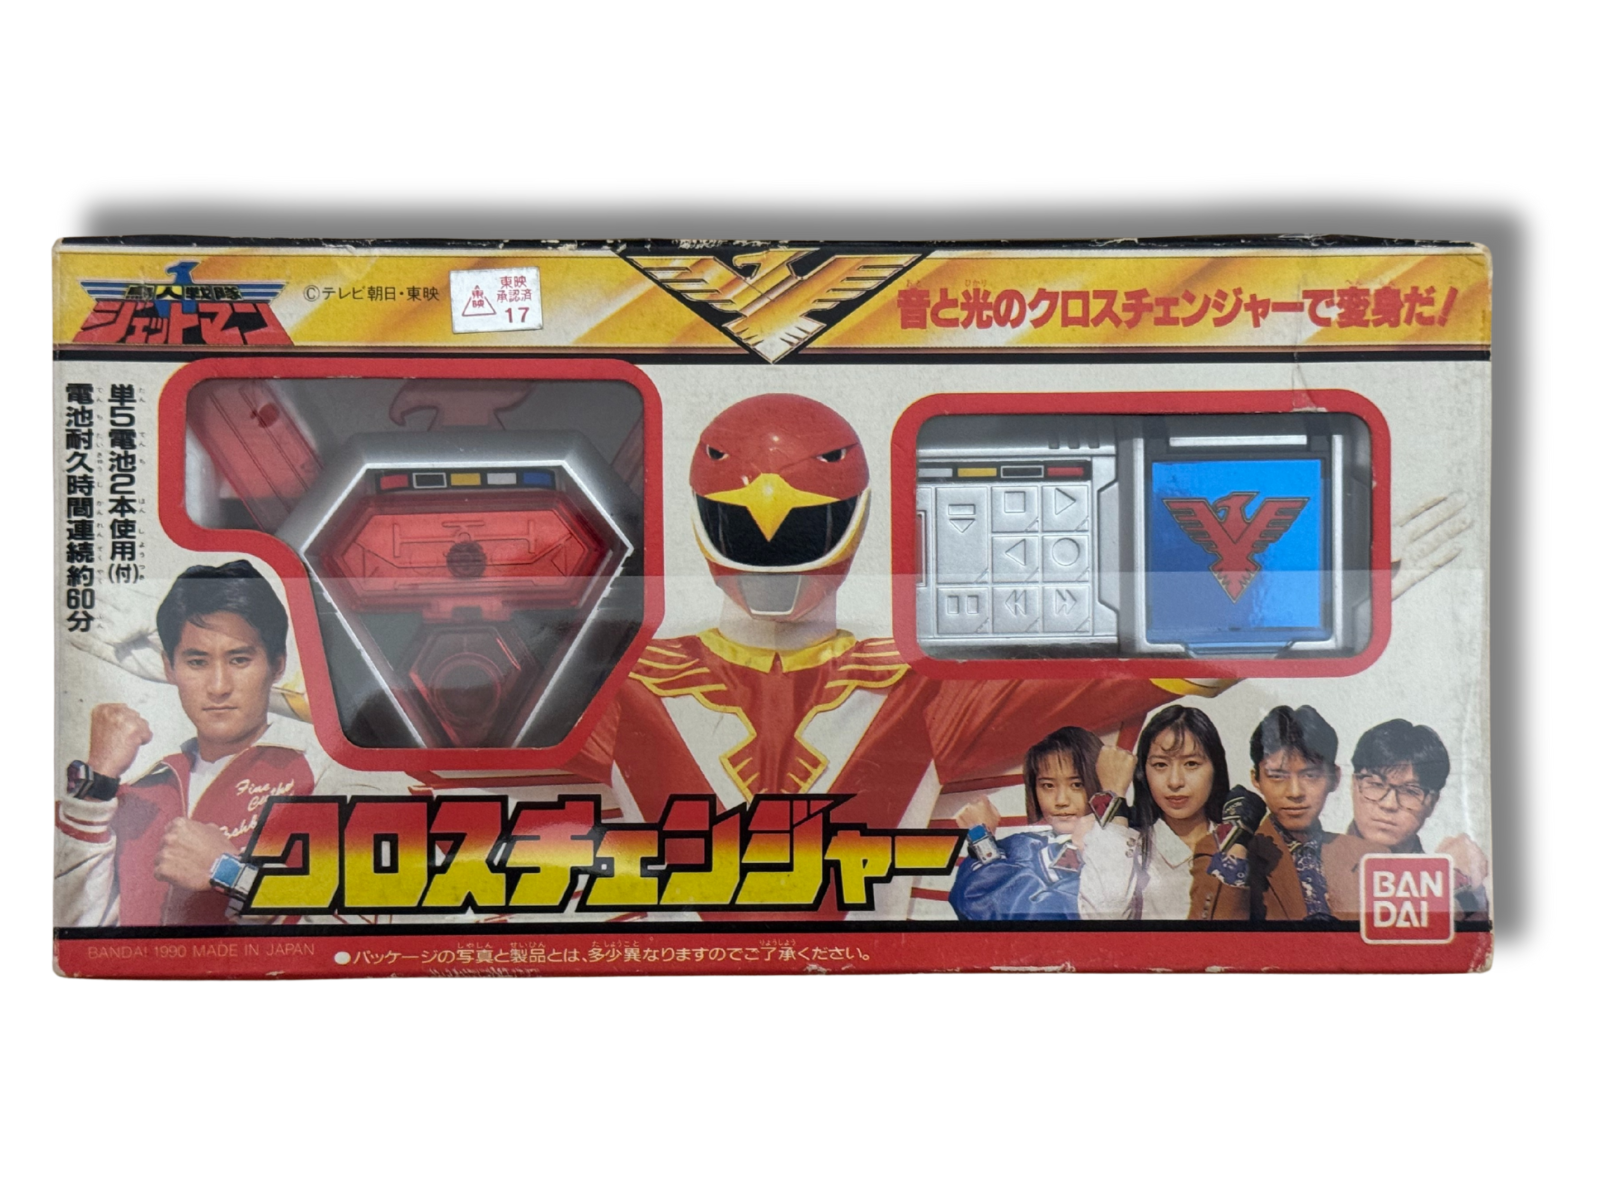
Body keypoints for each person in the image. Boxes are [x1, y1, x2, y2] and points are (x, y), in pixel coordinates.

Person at [567, 394, 1225, 918]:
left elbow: (1187, 663)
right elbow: (1196, 659)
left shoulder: (916, 684)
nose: (772, 544)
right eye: (749, 525)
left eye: (797, 526)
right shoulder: (623, 681)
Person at [55, 561, 329, 927]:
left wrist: (227, 872)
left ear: (277, 665)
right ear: (170, 668)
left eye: (239, 660)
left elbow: (359, 924)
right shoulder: (140, 792)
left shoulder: (322, 771)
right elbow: (75, 934)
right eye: (197, 662)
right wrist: (96, 785)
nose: (218, 686)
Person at [1076, 705, 1252, 920]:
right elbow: (1102, 919)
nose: (1175, 781)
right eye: (1160, 765)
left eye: (1191, 764)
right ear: (1143, 772)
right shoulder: (1125, 846)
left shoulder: (1243, 845)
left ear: (1215, 768)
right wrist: (1113, 794)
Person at [948, 727, 1135, 920]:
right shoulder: (1021, 843)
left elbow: (1032, 915)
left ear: (1099, 783)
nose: (1061, 800)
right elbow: (966, 901)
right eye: (1048, 785)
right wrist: (984, 841)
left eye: (1077, 785)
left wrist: (981, 838)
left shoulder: (1119, 853)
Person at [1240, 705, 1384, 921]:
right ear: (1256, 779)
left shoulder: (1371, 857)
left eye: (1310, 775)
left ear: (1335, 778)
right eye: (1277, 776)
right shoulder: (1232, 854)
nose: (1295, 792)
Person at [1348, 718, 1489, 917]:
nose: (1389, 804)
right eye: (1376, 784)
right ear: (1354, 786)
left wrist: (1461, 887)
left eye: (1410, 791)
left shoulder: (1456, 879)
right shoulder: (1316, 866)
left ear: (1432, 803)